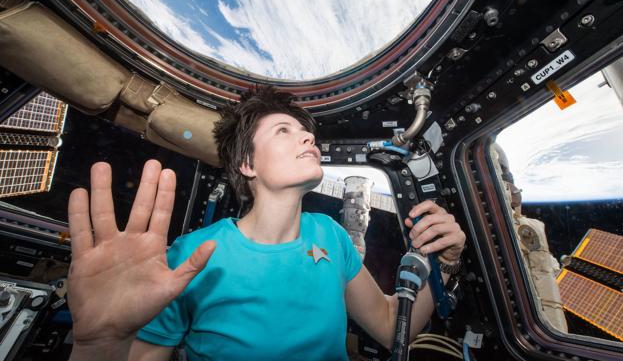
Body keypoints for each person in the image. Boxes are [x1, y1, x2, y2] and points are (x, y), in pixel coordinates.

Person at [67, 85, 465, 361]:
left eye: (307, 132)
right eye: (283, 130)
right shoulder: (192, 257)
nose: (308, 138)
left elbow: (392, 326)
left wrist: (445, 263)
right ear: (248, 164)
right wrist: (97, 346)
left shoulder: (332, 236)